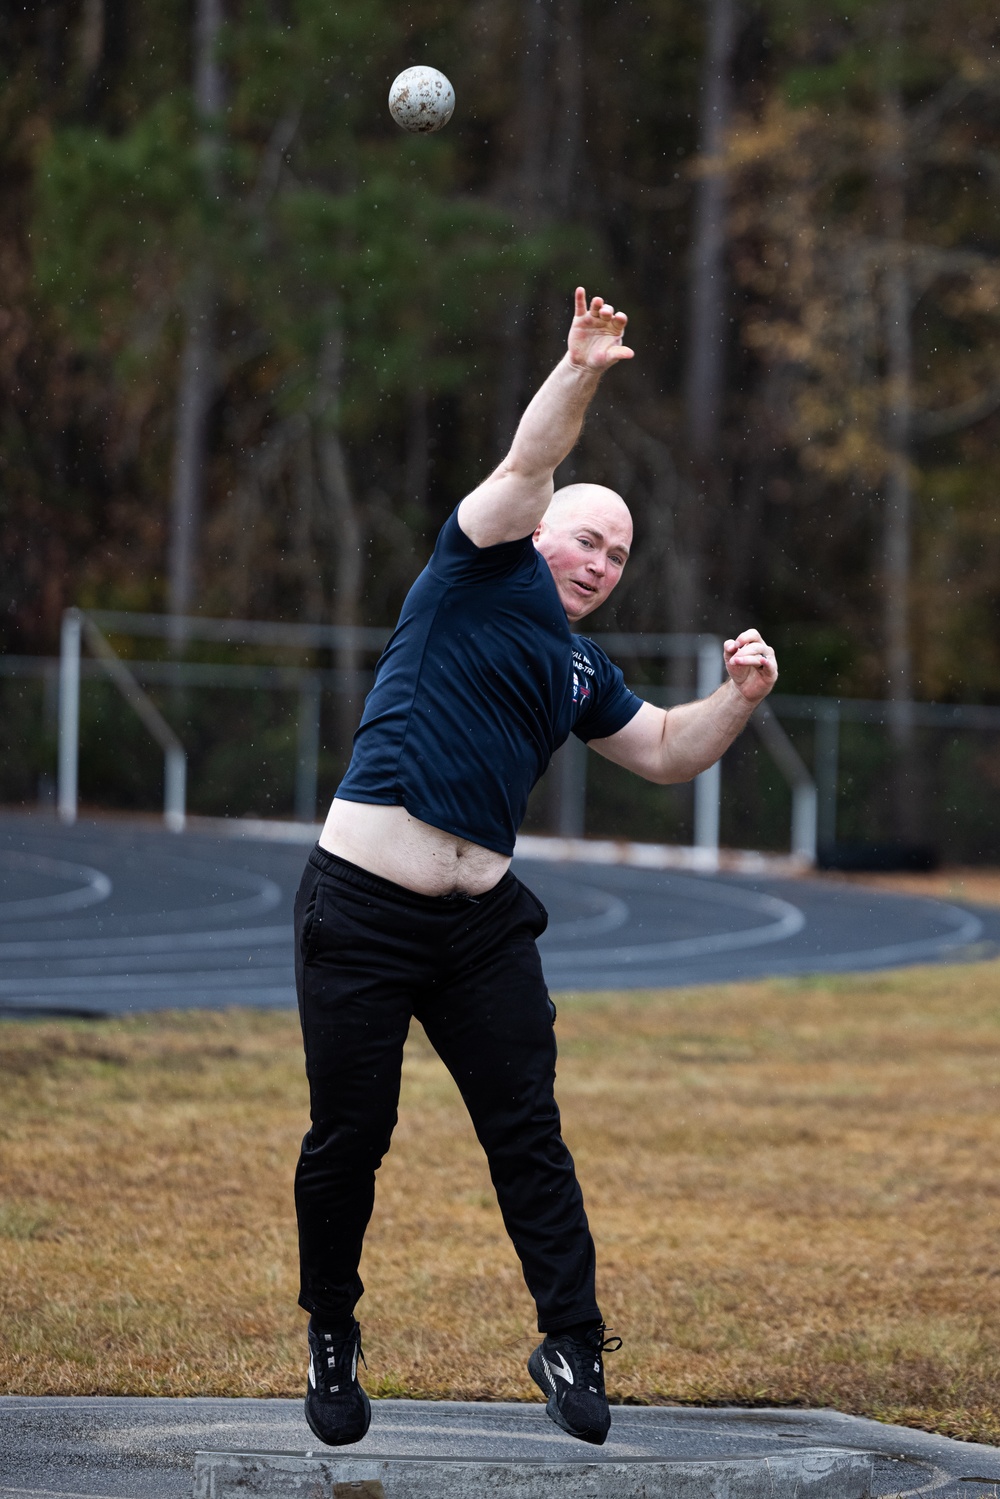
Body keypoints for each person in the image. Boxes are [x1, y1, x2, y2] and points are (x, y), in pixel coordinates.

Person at [293, 288, 778, 1449]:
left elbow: (663, 750)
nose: (602, 561)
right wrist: (582, 368)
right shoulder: (478, 563)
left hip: (478, 928)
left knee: (529, 1133)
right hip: (362, 907)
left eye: (619, 553)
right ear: (543, 530)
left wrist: (739, 699)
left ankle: (570, 1336)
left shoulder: (579, 668)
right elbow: (530, 456)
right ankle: (330, 1331)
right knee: (349, 1135)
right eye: (588, 537)